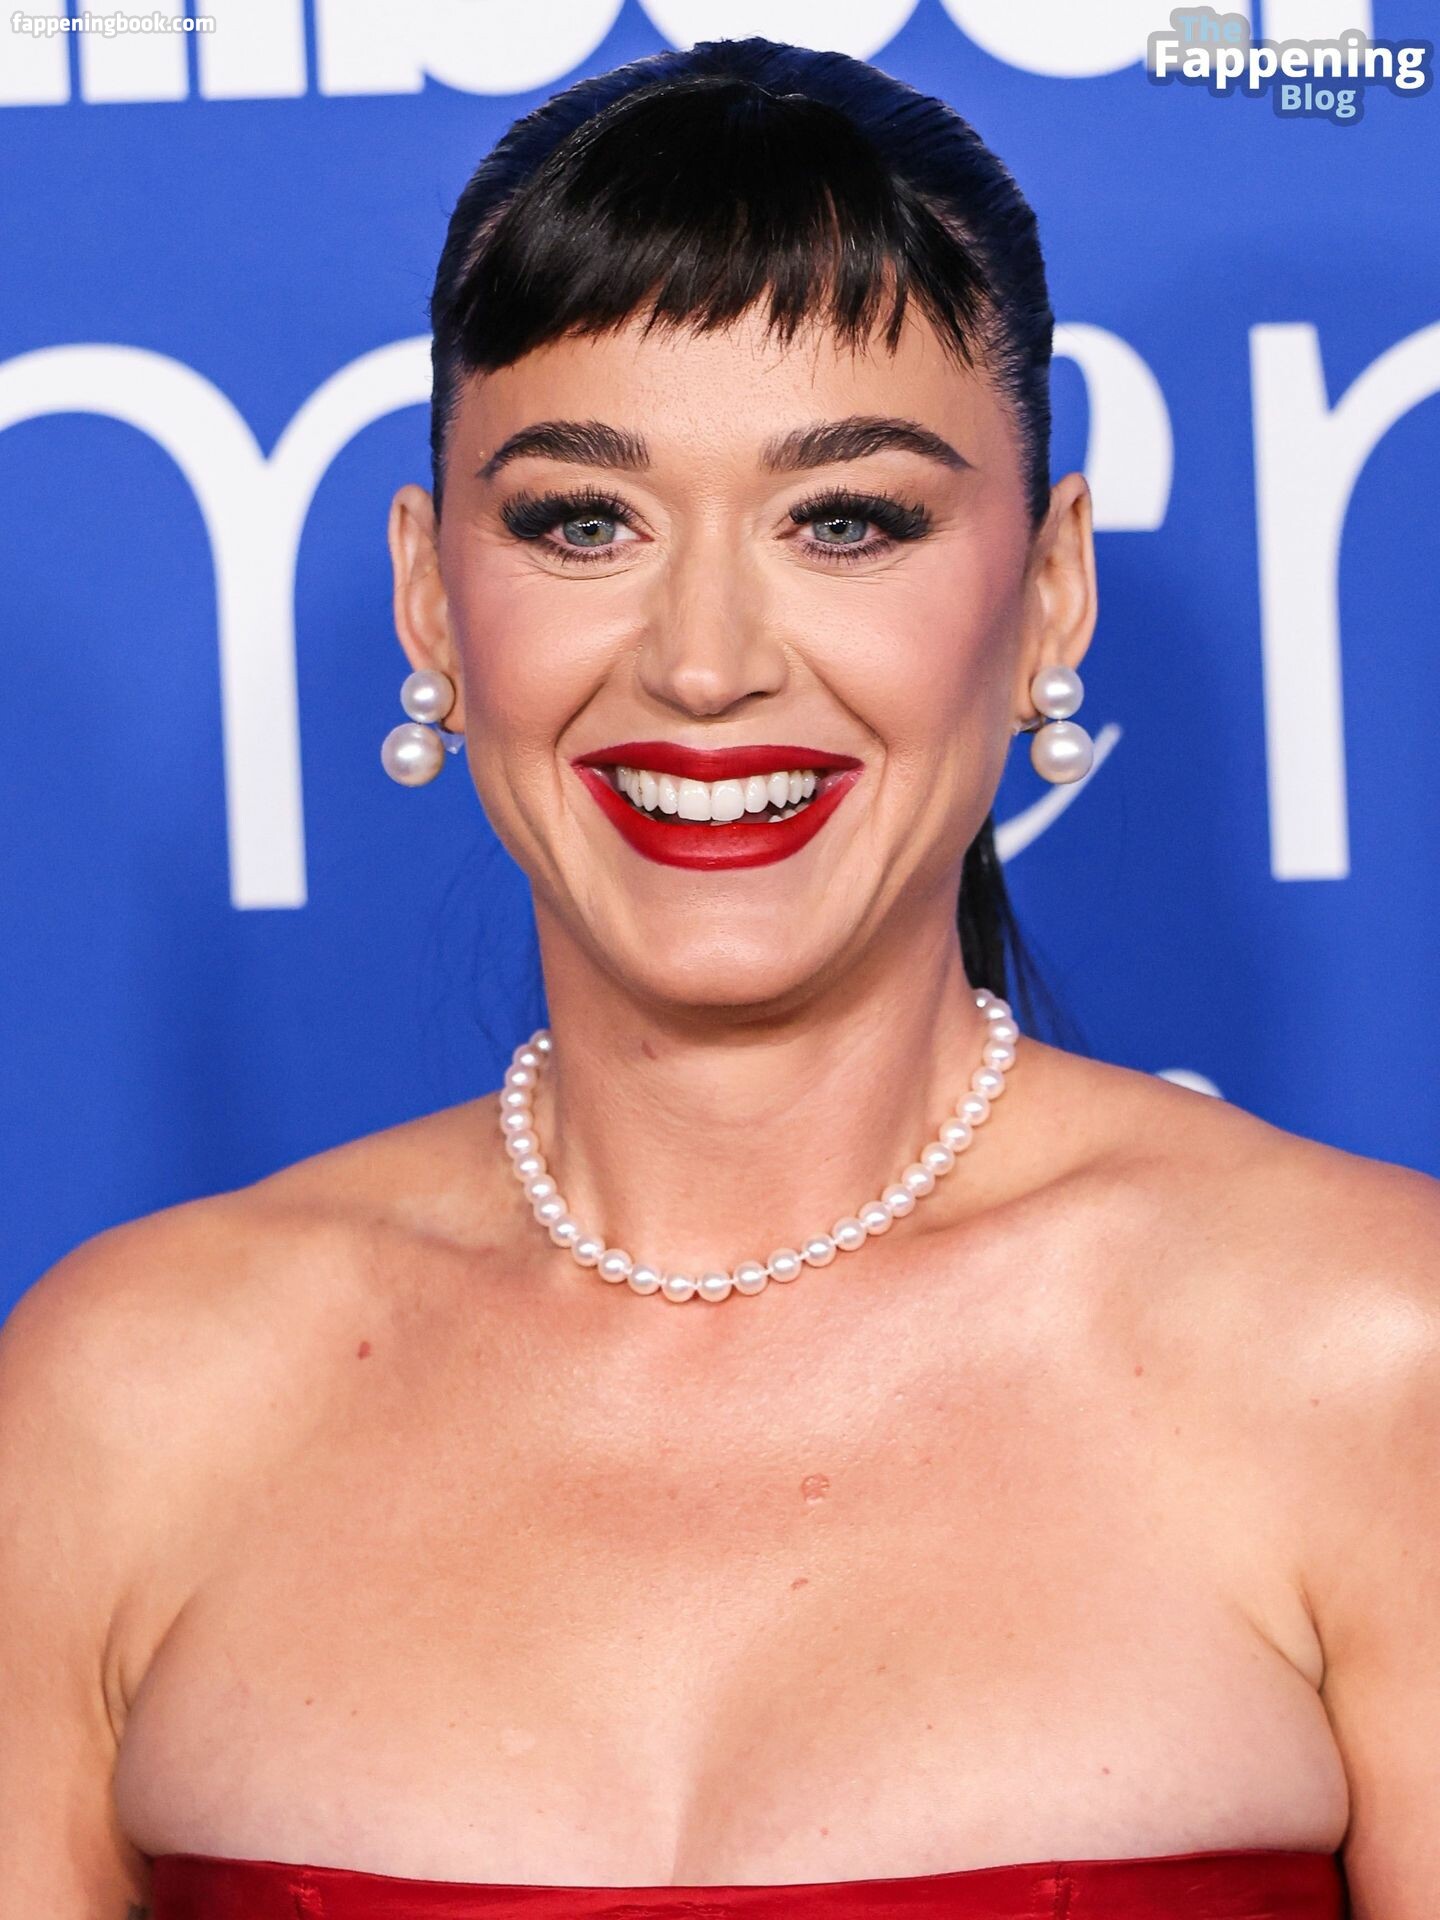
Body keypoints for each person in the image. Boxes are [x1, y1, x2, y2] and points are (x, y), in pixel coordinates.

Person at [2, 35, 1435, 1920]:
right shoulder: (123, 1399)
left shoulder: (1378, 1359)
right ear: (433, 594)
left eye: (847, 520)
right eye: (582, 521)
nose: (702, 661)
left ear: (1051, 592)